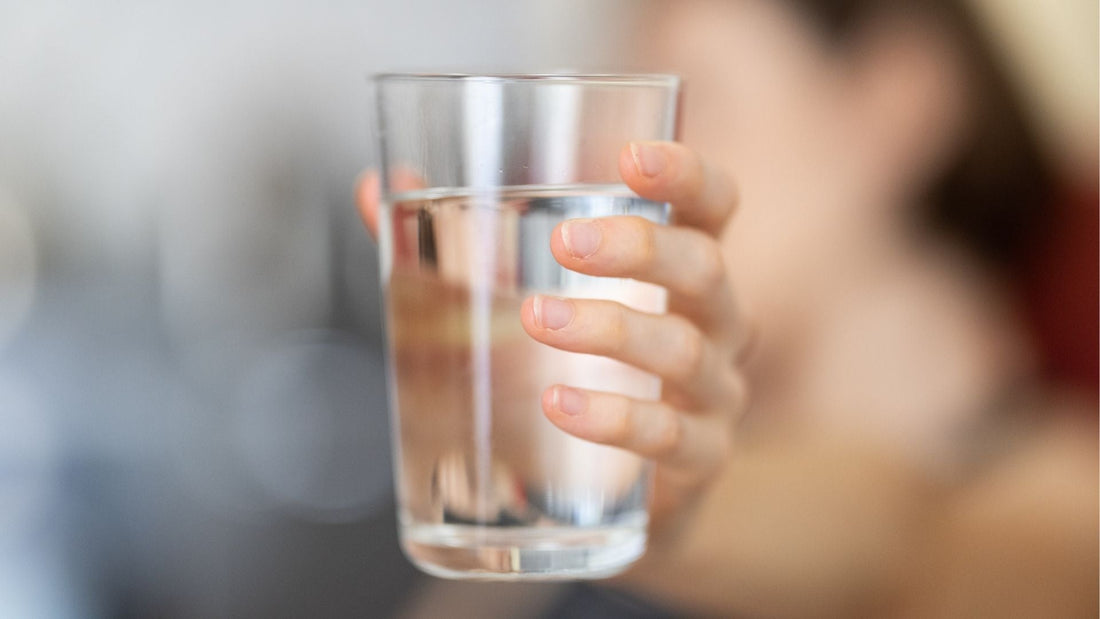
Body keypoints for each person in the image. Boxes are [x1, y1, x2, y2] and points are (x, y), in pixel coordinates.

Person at [358, 0, 1097, 616]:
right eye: (607, 116)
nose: (609, 164)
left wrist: (671, 516)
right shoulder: (575, 514)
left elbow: (901, 536)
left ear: (898, 94)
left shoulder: (1058, 500)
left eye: (694, 97)